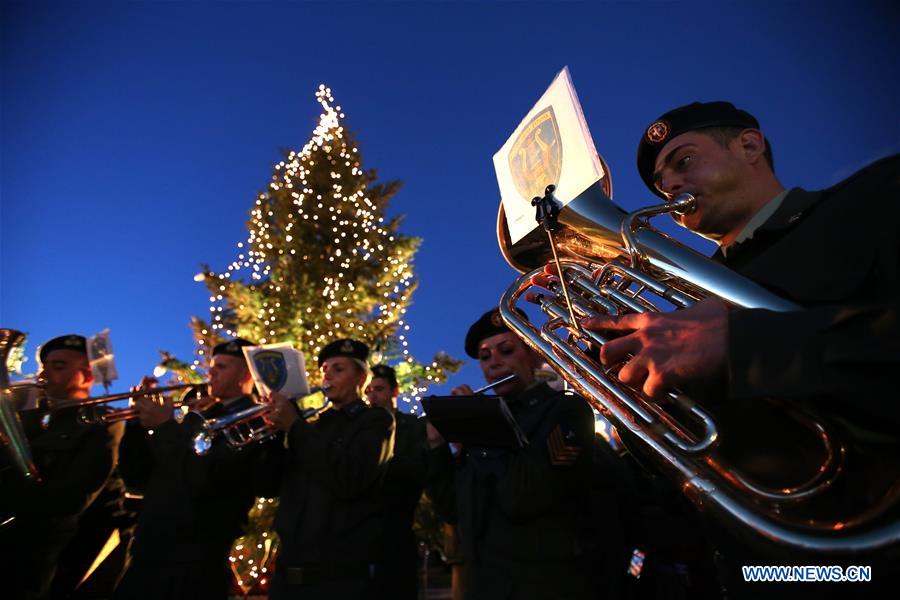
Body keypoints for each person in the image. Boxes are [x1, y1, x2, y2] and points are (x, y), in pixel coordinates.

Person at [583, 101, 899, 596]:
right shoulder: (684, 305)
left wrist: (744, 344)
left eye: (682, 161)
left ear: (749, 145)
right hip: (751, 572)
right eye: (660, 182)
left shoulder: (876, 195)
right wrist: (634, 399)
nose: (669, 186)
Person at [424, 308, 599, 600]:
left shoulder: (564, 410)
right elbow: (454, 510)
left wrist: (476, 428)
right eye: (485, 356)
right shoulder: (486, 428)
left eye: (506, 350)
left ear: (533, 355)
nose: (494, 363)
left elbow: (524, 497)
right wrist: (436, 448)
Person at [114, 337, 279, 600]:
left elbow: (200, 480)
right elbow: (139, 477)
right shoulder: (198, 417)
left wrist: (166, 428)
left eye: (222, 367)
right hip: (149, 552)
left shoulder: (254, 420)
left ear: (245, 374)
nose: (210, 372)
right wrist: (138, 423)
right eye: (212, 366)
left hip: (193, 561)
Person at [263, 338, 395, 600]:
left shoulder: (375, 421)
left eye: (338, 369)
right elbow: (267, 485)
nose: (327, 376)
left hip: (339, 578)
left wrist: (295, 427)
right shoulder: (311, 427)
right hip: (289, 573)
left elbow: (349, 478)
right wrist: (275, 435)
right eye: (324, 370)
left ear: (361, 378)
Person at [0, 334, 123, 600]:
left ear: (87, 376)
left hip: (35, 551)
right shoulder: (28, 417)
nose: (43, 375)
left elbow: (72, 497)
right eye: (44, 366)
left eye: (58, 367)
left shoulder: (103, 421)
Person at [365, 363, 427, 600]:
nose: (373, 396)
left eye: (379, 389)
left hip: (396, 533)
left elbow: (415, 471)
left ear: (395, 392)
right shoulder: (360, 427)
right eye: (368, 390)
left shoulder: (412, 427)